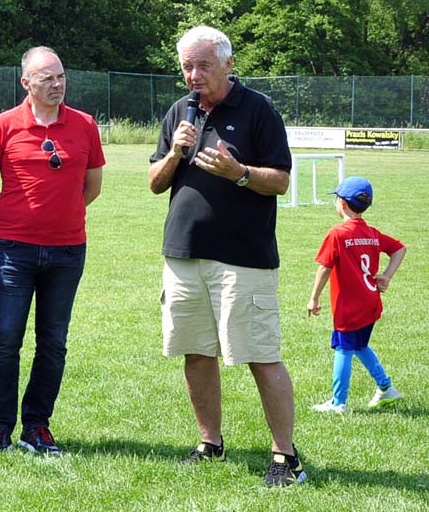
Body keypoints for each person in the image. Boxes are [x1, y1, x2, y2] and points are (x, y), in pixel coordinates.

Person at [147, 25, 304, 487]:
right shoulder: (180, 110)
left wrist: (239, 173)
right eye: (187, 67)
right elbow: (155, 183)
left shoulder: (258, 109)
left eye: (204, 66)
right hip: (183, 254)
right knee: (195, 353)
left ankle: (284, 456)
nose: (194, 75)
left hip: (243, 258)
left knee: (260, 354)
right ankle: (209, 443)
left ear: (228, 64)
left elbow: (280, 180)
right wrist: (175, 152)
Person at [0, 46, 104, 456]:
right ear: (26, 82)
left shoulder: (84, 125)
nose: (57, 84)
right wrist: (15, 219)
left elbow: (92, 187)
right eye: (47, 78)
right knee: (6, 338)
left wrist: (60, 218)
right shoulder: (3, 126)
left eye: (61, 76)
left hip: (67, 252)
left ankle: (37, 426)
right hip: (13, 251)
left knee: (53, 342)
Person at [307, 176, 407, 413]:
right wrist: (387, 276)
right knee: (359, 345)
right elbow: (400, 248)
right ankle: (386, 388)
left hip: (349, 307)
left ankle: (338, 403)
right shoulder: (371, 233)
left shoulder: (337, 233)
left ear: (341, 203)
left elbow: (324, 267)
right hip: (370, 302)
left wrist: (314, 298)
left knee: (343, 348)